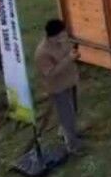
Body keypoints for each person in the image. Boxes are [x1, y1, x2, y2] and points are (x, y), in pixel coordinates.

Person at [35, 19, 82, 154]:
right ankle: (72, 146)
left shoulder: (63, 42)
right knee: (67, 117)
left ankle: (64, 132)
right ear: (54, 35)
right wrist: (69, 59)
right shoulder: (42, 53)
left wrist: (74, 55)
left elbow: (68, 53)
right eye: (62, 33)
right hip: (58, 88)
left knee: (73, 110)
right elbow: (50, 73)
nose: (65, 35)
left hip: (70, 82)